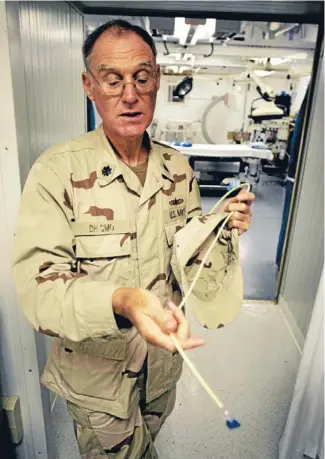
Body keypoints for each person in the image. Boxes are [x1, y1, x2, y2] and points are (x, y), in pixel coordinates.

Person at [13, 20, 254, 458]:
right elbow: (38, 294)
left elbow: (190, 260)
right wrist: (123, 301)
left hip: (163, 368)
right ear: (89, 85)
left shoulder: (178, 169)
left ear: (157, 80)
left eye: (142, 78)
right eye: (112, 80)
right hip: (98, 381)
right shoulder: (57, 172)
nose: (130, 94)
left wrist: (220, 226)